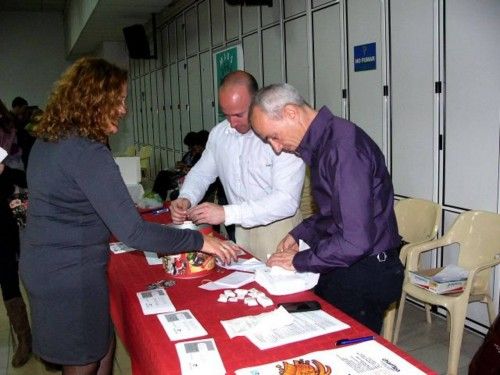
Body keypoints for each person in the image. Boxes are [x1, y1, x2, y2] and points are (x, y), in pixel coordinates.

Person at [19, 57, 238, 375]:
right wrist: (198, 240)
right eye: (119, 101)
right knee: (84, 358)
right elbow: (133, 233)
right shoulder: (87, 152)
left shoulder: (50, 139)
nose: (123, 109)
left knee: (101, 343)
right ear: (97, 100)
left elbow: (77, 203)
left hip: (48, 263)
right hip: (68, 275)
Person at [249, 83, 404, 333]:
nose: (276, 148)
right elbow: (333, 214)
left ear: (291, 113)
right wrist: (300, 233)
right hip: (349, 264)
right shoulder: (325, 144)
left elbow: (354, 240)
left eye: (273, 137)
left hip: (365, 270)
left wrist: (299, 260)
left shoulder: (342, 148)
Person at [170, 71, 305, 261]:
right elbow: (201, 173)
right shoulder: (219, 134)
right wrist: (186, 197)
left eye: (239, 114)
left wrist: (226, 213)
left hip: (280, 231)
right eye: (226, 115)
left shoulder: (280, 133)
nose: (232, 123)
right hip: (241, 229)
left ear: (257, 101)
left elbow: (286, 200)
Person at [0, 156, 31, 368]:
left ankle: (49, 340)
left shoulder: (16, 173)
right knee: (8, 283)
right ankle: (24, 340)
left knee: (36, 283)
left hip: (22, 231)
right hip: (2, 243)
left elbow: (31, 181)